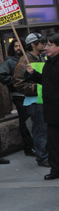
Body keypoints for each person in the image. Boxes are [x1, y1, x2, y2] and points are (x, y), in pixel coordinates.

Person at [13, 33, 49, 167]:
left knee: (46, 129)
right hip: (35, 101)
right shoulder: (24, 60)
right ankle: (42, 157)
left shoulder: (41, 57)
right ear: (33, 44)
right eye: (41, 42)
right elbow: (18, 83)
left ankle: (47, 154)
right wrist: (38, 88)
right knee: (40, 130)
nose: (43, 44)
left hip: (45, 100)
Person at [0, 40, 35, 157]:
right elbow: (2, 76)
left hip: (32, 94)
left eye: (20, 45)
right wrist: (15, 81)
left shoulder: (28, 59)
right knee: (25, 120)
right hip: (19, 95)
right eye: (15, 46)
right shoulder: (9, 61)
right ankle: (29, 147)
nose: (18, 48)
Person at [40, 33, 59, 180]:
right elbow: (46, 82)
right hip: (51, 110)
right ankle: (56, 168)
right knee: (53, 142)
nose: (46, 48)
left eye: (50, 45)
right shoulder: (48, 62)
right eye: (46, 45)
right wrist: (33, 75)